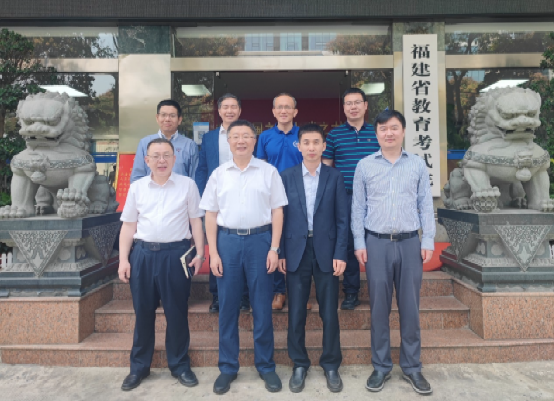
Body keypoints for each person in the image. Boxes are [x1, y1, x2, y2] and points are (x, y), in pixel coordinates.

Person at [200, 120, 288, 395]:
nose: (241, 141)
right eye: (235, 136)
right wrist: (213, 252)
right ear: (228, 142)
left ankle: (266, 365)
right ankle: (228, 367)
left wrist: (274, 248)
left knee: (261, 306)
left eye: (246, 136)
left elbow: (277, 211)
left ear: (254, 141)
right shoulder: (218, 174)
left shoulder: (268, 172)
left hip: (260, 242)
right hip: (227, 242)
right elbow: (210, 215)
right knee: (228, 307)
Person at [351, 109, 435, 395]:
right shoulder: (364, 166)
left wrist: (428, 240)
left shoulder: (417, 164)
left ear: (403, 131)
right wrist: (359, 243)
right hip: (376, 243)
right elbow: (357, 208)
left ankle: (412, 367)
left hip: (410, 243)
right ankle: (381, 366)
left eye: (394, 127)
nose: (389, 133)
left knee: (410, 308)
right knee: (379, 308)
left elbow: (425, 204)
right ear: (376, 133)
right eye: (383, 128)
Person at [118, 137, 205, 391]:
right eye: (155, 156)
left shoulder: (187, 185)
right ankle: (139, 367)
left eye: (166, 155)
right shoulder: (137, 187)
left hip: (175, 256)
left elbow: (196, 221)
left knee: (176, 313)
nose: (161, 160)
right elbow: (128, 226)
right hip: (143, 255)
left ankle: (179, 365)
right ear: (147, 160)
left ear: (174, 158)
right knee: (143, 313)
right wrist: (123, 259)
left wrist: (200, 253)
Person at [279, 124, 348, 393]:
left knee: (329, 311)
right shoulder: (286, 176)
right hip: (296, 250)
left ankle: (330, 364)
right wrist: (281, 252)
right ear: (298, 146)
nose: (311, 147)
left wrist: (340, 253)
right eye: (306, 142)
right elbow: (280, 217)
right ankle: (299, 363)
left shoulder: (334, 176)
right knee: (296, 311)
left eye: (316, 142)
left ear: (323, 146)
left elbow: (342, 219)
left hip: (327, 251)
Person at [322, 88, 379, 310]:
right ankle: (351, 292)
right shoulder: (334, 135)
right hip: (345, 198)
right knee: (348, 244)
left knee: (376, 243)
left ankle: (378, 292)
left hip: (375, 199)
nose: (353, 107)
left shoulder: (377, 132)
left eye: (357, 102)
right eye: (348, 103)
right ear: (344, 107)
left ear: (365, 106)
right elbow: (326, 169)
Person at [195, 93, 250, 313]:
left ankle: (244, 296)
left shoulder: (248, 135)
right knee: (216, 247)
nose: (229, 111)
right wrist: (204, 198)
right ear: (219, 111)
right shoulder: (209, 138)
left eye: (233, 107)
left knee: (244, 247)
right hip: (217, 201)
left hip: (244, 199)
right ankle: (217, 296)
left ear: (240, 110)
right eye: (225, 107)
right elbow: (202, 169)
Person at [256, 93, 303, 310]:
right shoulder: (265, 137)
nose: (284, 111)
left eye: (288, 107)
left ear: (295, 111)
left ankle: (298, 292)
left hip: (299, 196)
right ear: (273, 112)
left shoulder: (302, 135)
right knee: (275, 241)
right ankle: (278, 291)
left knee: (298, 242)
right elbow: (260, 167)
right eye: (279, 107)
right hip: (271, 197)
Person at [130, 99, 198, 183]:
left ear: (179, 120)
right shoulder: (144, 143)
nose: (167, 119)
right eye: (163, 115)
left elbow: (194, 177)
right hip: (151, 191)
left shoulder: (189, 145)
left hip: (180, 191)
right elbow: (137, 177)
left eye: (172, 115)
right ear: (157, 118)